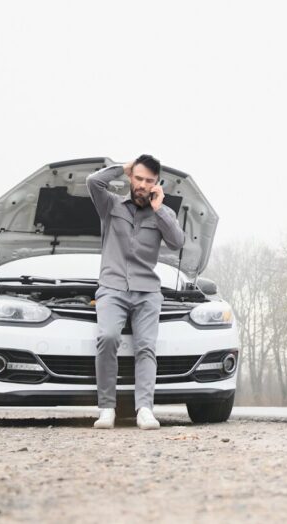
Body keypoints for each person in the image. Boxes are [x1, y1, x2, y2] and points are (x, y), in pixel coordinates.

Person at [85, 155, 185, 430]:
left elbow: (178, 242)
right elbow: (93, 181)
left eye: (149, 181)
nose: (142, 184)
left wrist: (160, 208)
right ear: (131, 178)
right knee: (107, 337)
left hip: (147, 291)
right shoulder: (110, 205)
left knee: (146, 348)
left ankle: (144, 410)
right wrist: (122, 168)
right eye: (138, 178)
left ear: (157, 184)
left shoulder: (162, 213)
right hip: (112, 288)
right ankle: (107, 409)